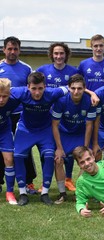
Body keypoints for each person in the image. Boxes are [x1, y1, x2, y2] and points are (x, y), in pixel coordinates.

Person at [11, 71, 69, 206]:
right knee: (18, 156)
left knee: (49, 156)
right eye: (33, 89)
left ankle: (44, 193)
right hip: (26, 129)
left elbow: (70, 87)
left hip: (45, 130)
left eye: (40, 88)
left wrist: (93, 94)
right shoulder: (20, 92)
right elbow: (4, 88)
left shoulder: (52, 93)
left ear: (45, 87)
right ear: (27, 87)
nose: (37, 93)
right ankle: (22, 193)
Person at [37, 42, 79, 192]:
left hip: (66, 116)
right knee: (48, 150)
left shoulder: (74, 71)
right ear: (51, 55)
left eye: (62, 53)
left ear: (66, 55)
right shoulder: (43, 70)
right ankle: (45, 181)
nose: (59, 56)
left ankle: (68, 178)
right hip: (47, 115)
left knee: (68, 149)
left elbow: (80, 88)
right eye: (56, 53)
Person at [51, 74, 97, 204]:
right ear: (69, 88)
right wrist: (59, 148)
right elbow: (54, 125)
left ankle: (81, 193)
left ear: (84, 88)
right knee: (58, 160)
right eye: (73, 88)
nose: (76, 91)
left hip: (80, 133)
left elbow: (89, 125)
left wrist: (86, 147)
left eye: (79, 88)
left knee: (86, 161)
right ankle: (62, 194)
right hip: (64, 133)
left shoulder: (89, 101)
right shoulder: (61, 101)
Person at [0, 36, 37, 195]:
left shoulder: (27, 68)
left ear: (19, 50)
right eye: (9, 49)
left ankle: (28, 182)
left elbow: (32, 89)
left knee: (25, 148)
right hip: (3, 114)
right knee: (3, 150)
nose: (12, 52)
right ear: (4, 50)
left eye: (15, 49)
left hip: (22, 115)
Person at [78, 34, 104, 161]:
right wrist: (92, 93)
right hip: (89, 104)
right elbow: (79, 84)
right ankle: (93, 166)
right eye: (96, 46)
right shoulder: (83, 64)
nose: (98, 48)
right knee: (91, 139)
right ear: (91, 47)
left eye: (101, 45)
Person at [0, 78, 21, 204]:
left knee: (9, 159)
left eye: (4, 96)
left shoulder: (14, 99)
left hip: (4, 132)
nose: (1, 100)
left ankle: (10, 192)